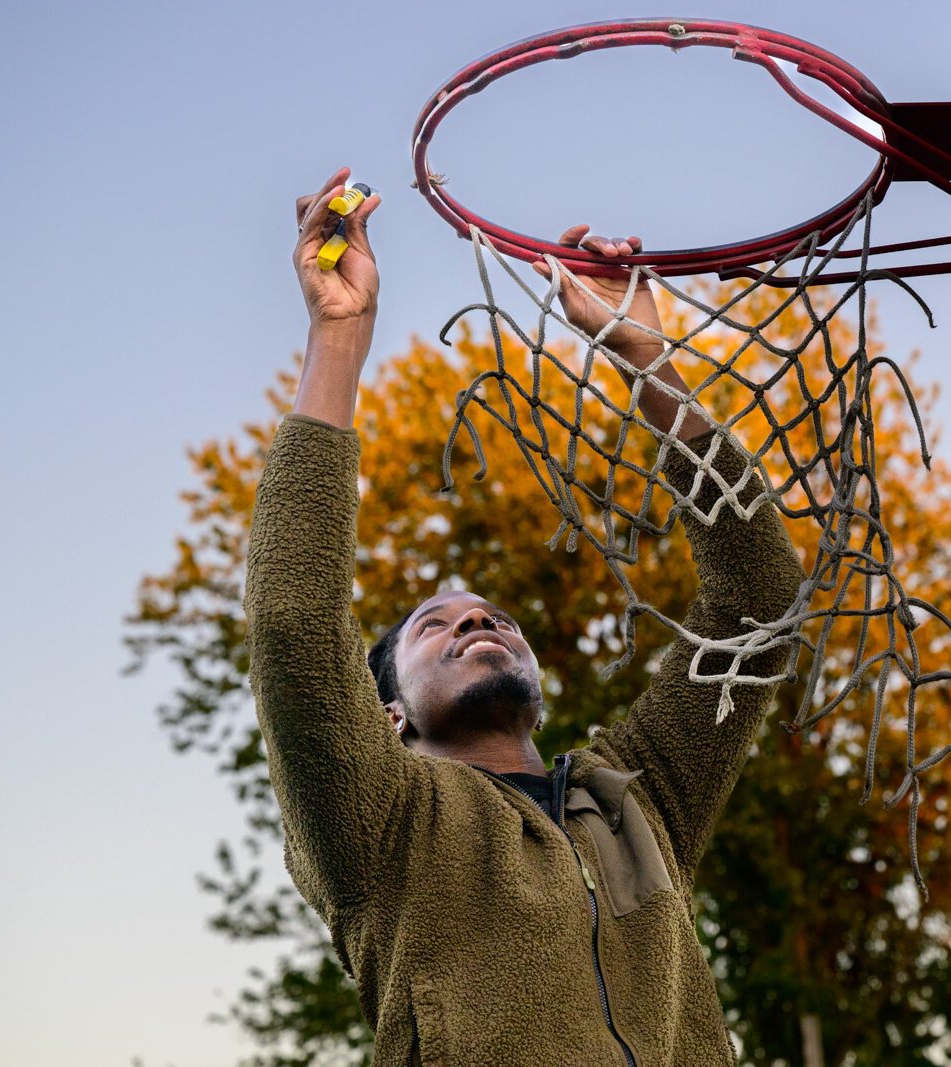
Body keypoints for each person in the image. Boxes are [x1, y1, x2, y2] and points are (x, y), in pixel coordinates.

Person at [245, 167, 805, 1065]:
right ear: (389, 715)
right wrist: (340, 334)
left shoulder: (639, 794)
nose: (479, 623)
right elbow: (293, 620)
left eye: (494, 616)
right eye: (438, 626)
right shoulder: (380, 822)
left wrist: (646, 360)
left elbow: (757, 599)